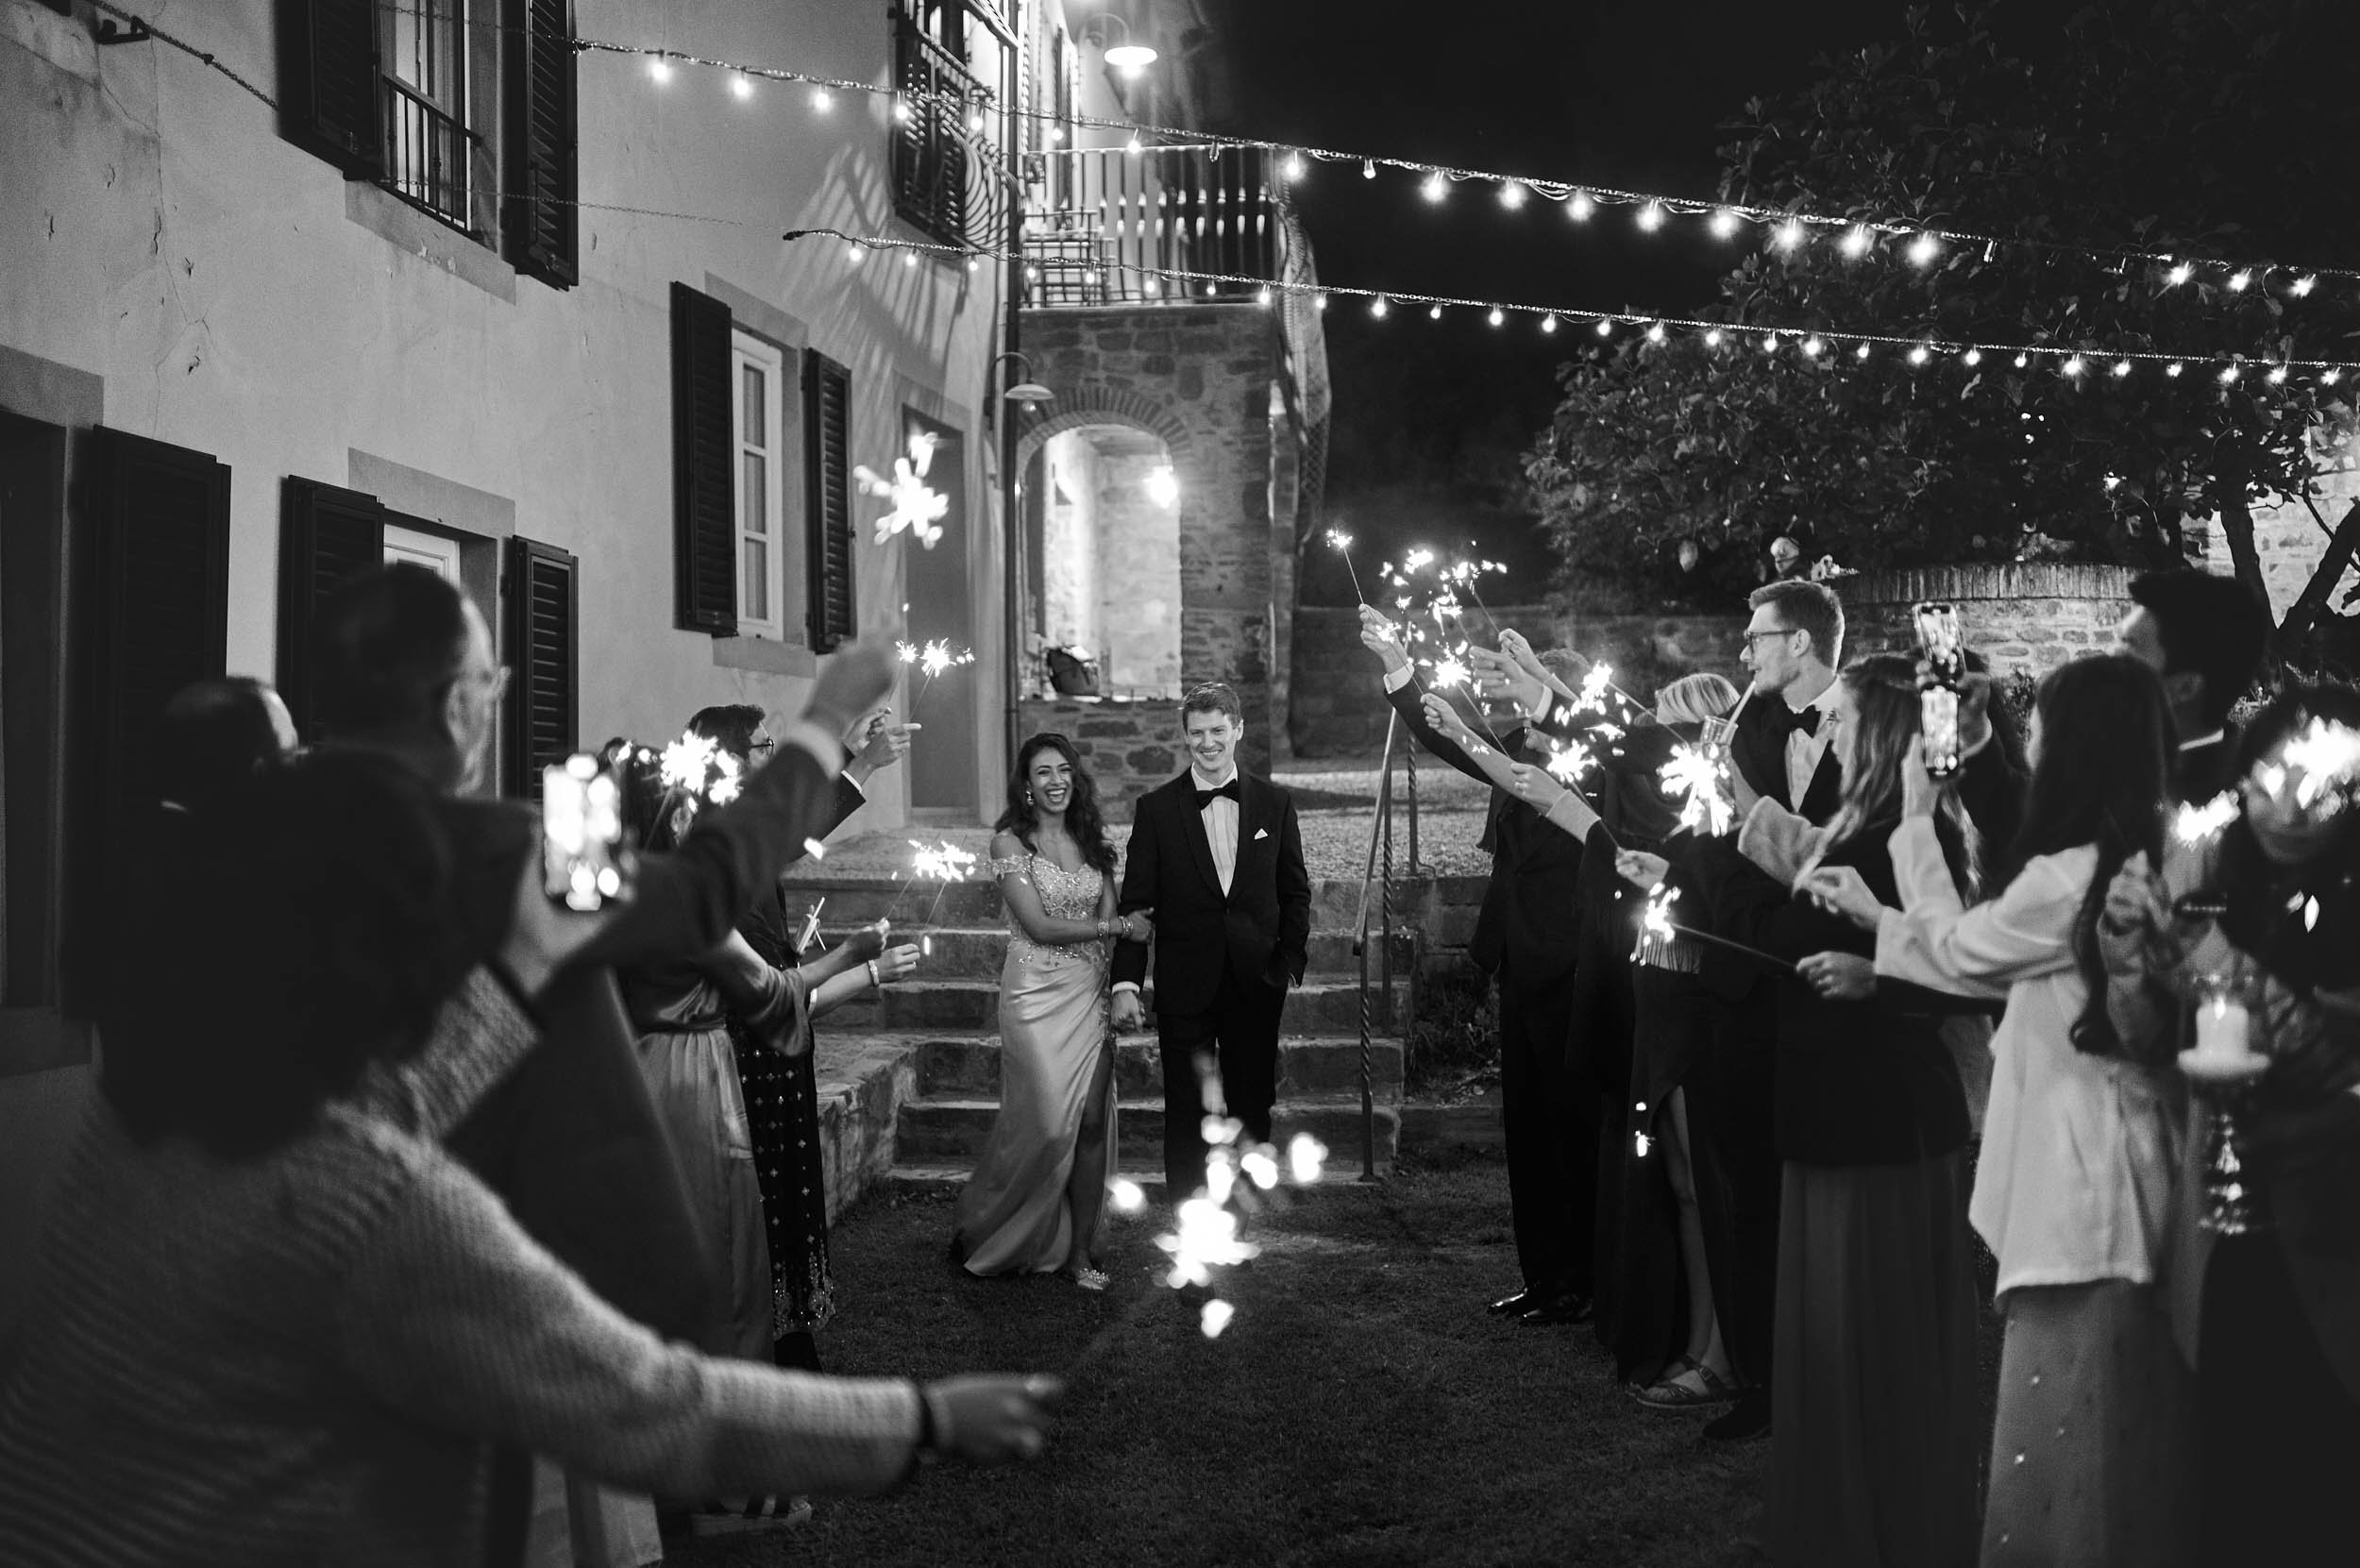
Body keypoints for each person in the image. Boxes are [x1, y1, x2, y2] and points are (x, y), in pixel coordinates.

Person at [0, 755, 1063, 1567]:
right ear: (375, 957)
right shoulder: (366, 1205)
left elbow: (492, 1015)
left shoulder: (146, 1114)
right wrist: (920, 1417)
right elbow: (651, 1401)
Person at [311, 562, 896, 1563]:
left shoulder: (271, 832)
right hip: (430, 1211)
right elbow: (696, 895)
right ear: (457, 702)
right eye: (492, 681)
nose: (497, 702)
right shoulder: (498, 848)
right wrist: (827, 716)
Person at [1797, 654, 2193, 1566]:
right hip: (2124, 1169)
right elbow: (2013, 846)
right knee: (2116, 1443)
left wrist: (1908, 827)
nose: (2040, 744)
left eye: (2045, 727)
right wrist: (1965, 742)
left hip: (2081, 1190)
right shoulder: (2148, 848)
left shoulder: (2075, 877)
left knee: (2067, 1452)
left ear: (2080, 745)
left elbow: (1955, 948)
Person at [1690, 652, 1984, 1567]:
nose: (1834, 731)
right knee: (1834, 1337)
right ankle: (1854, 1516)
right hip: (1839, 1108)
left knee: (1868, 1339)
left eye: (1849, 719)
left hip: (1873, 1118)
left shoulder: (1900, 828)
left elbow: (1789, 931)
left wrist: (1714, 846)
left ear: (1887, 731)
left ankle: (1882, 1524)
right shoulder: (1866, 819)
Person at [2099, 683, 2360, 1566]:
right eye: (2264, 776)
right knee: (2232, 1477)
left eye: (2314, 781)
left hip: (2335, 1227)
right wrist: (2127, 953)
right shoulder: (2215, 876)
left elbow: (2324, 1051)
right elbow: (2149, 1042)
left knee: (2322, 1481)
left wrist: (2205, 960)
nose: (2283, 801)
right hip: (2224, 1220)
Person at [1359, 606, 1600, 1326]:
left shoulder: (1588, 766)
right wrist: (1398, 665)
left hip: (1575, 967)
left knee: (1571, 1127)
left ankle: (1585, 1279)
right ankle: (1543, 1275)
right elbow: (1449, 738)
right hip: (1519, 962)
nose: (1513, 709)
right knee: (1524, 1129)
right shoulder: (1516, 751)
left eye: (1531, 695)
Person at [687, 701, 913, 1374]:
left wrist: (861, 756)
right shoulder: (714, 854)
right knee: (760, 1213)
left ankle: (789, 1343)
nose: (771, 754)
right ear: (729, 760)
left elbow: (791, 824)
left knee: (782, 1210)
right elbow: (775, 986)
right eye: (760, 745)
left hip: (776, 1061)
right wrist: (853, 959)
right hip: (747, 1069)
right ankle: (768, 1351)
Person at [954, 733, 1144, 1281]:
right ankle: (1000, 1223)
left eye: (1064, 770)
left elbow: (1114, 929)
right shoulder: (1009, 846)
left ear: (1075, 779)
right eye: (1043, 772)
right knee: (1044, 1126)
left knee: (1087, 1123)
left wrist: (1124, 984)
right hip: (1033, 997)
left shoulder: (1095, 847)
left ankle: (1081, 1250)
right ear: (1027, 785)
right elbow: (1036, 925)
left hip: (1090, 994)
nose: (1056, 780)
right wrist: (1117, 925)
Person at [1112, 683, 1311, 1199]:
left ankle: (1239, 1227)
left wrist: (1287, 962)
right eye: (1197, 733)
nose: (1208, 743)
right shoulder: (1155, 810)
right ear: (1184, 736)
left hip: (1255, 983)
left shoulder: (1274, 802)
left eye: (1218, 731)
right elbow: (1136, 906)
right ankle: (1189, 1239)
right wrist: (1126, 982)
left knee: (1250, 1107)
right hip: (1185, 987)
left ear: (1238, 731)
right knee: (1187, 1114)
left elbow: (1295, 890)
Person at [2113, 569, 2270, 804]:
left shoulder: (2236, 803)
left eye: (2127, 649)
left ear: (2185, 687)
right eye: (2116, 642)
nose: (2108, 661)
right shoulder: (2107, 761)